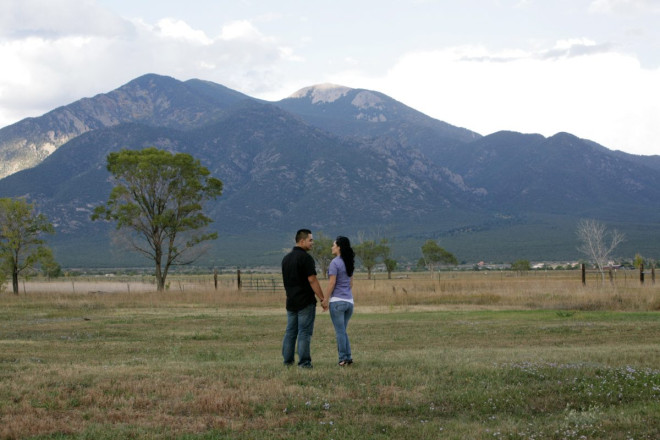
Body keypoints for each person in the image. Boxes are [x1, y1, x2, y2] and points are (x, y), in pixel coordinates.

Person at [281, 229, 327, 368]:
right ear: (302, 241)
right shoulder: (306, 258)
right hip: (305, 302)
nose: (312, 243)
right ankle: (304, 363)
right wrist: (322, 298)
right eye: (310, 240)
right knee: (304, 333)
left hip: (291, 301)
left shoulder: (286, 259)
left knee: (290, 332)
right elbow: (312, 280)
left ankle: (288, 362)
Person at [322, 236, 355, 366]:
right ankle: (348, 357)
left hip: (337, 302)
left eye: (334, 245)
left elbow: (332, 283)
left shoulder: (335, 263)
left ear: (339, 247)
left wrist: (325, 299)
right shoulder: (349, 262)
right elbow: (351, 283)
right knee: (343, 330)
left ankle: (342, 359)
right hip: (349, 302)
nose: (332, 247)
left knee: (340, 331)